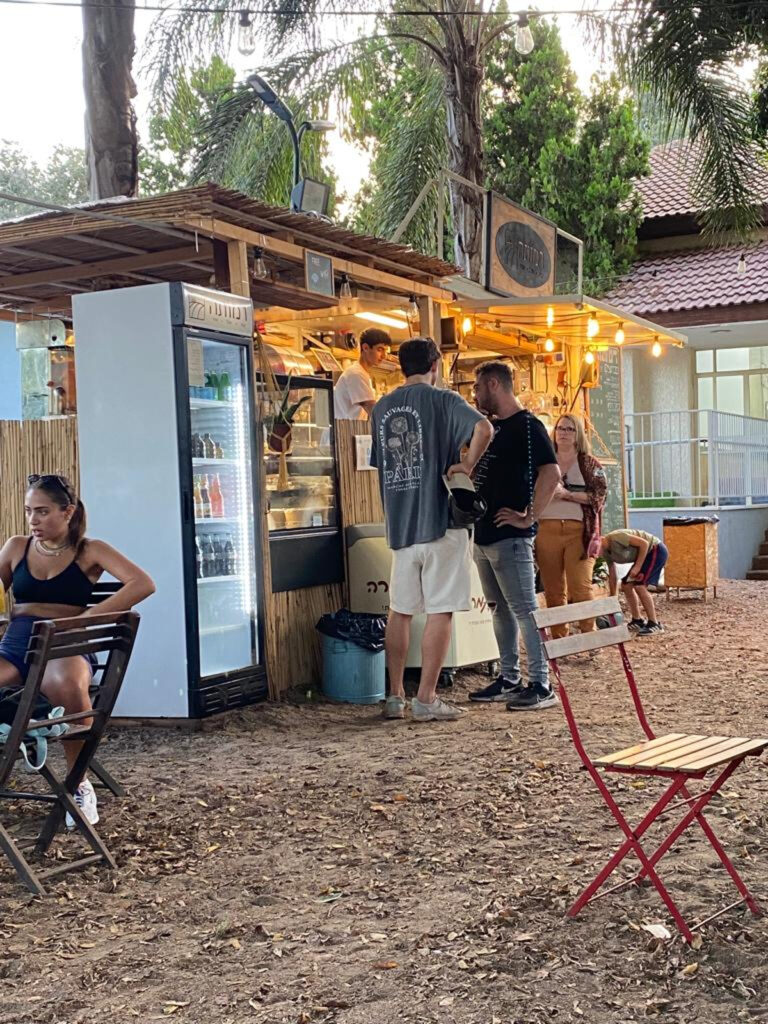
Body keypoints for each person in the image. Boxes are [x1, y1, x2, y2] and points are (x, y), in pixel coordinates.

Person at [0, 474, 155, 824]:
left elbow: (143, 582)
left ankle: (78, 783)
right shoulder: (16, 547)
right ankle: (22, 738)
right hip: (17, 641)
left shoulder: (90, 550)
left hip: (66, 641)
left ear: (67, 511)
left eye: (42, 512)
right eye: (29, 512)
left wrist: (88, 618)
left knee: (64, 684)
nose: (33, 521)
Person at [370, 337, 493, 723]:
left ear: (400, 366)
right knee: (440, 611)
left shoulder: (382, 408)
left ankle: (393, 697)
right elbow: (485, 429)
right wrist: (467, 465)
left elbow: (382, 464)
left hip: (401, 525)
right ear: (435, 365)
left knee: (400, 610)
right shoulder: (443, 400)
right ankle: (425, 698)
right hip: (441, 521)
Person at [469, 362, 561, 711]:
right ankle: (509, 677)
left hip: (511, 536)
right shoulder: (492, 428)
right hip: (484, 532)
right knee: (499, 609)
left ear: (494, 384)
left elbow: (550, 473)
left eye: (478, 387)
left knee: (525, 609)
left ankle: (541, 683)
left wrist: (529, 516)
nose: (476, 394)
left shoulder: (527, 425)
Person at [536, 414, 606, 639]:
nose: (564, 433)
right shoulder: (543, 462)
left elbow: (599, 496)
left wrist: (568, 495)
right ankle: (559, 638)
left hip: (579, 531)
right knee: (554, 590)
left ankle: (589, 635)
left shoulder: (589, 463)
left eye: (569, 429)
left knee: (581, 586)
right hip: (546, 529)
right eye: (560, 428)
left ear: (578, 435)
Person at [601, 527, 668, 635]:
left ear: (600, 539)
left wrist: (637, 567)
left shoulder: (616, 537)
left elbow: (644, 544)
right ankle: (638, 620)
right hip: (644, 557)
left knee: (640, 586)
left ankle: (654, 624)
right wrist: (613, 598)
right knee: (626, 585)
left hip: (655, 550)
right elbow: (612, 574)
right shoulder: (605, 552)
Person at [333, 327, 390, 420]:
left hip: (351, 430)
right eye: (380, 350)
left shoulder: (362, 373)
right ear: (365, 348)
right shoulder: (356, 374)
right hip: (344, 431)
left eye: (385, 351)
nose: (384, 356)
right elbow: (372, 409)